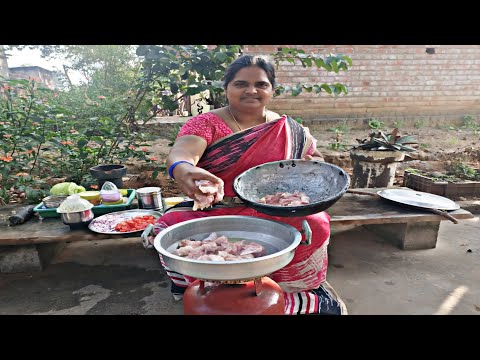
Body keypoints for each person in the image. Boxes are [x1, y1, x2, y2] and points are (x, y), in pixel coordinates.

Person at [146, 55, 347, 315]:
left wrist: (312, 165)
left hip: (274, 208)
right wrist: (183, 169)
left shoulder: (291, 129)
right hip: (218, 206)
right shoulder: (207, 123)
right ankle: (199, 287)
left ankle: (290, 289)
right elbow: (182, 152)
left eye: (261, 84)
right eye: (241, 83)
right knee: (167, 228)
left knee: (316, 223)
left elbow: (316, 161)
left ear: (271, 90)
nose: (251, 90)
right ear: (227, 88)